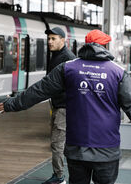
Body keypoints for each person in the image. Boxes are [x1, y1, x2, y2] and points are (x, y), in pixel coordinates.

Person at [0, 29, 131, 184]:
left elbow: (39, 91)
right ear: (105, 46)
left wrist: (11, 104)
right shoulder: (118, 73)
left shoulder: (68, 68)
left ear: (85, 46)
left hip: (76, 148)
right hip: (107, 149)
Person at [43, 27, 76, 184]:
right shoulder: (56, 56)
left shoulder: (67, 58)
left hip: (64, 107)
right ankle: (60, 175)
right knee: (60, 143)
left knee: (57, 143)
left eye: (53, 38)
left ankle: (59, 177)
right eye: (48, 38)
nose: (49, 41)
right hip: (58, 106)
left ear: (63, 40)